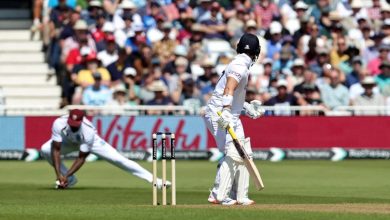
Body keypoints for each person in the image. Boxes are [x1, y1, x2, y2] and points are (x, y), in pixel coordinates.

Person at [203, 33, 264, 206]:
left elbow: (233, 93)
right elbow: (228, 89)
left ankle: (241, 195)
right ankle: (218, 194)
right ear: (256, 51)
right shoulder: (239, 65)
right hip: (219, 114)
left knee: (244, 151)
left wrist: (247, 108)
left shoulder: (240, 63)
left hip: (229, 113)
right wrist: (227, 113)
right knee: (232, 153)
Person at [41, 109, 169, 189]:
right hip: (68, 142)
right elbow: (56, 150)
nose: (73, 126)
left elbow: (81, 158)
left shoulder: (88, 130)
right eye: (71, 124)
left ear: (81, 121)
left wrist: (68, 173)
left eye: (76, 125)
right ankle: (68, 179)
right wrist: (59, 175)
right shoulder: (59, 123)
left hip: (92, 143)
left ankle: (154, 180)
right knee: (45, 149)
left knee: (120, 160)